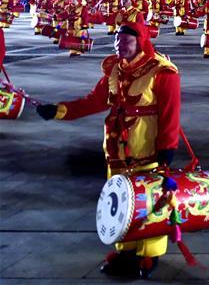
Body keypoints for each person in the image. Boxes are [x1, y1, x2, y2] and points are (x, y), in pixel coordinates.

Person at [35, 22, 181, 280]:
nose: (120, 45)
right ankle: (125, 250)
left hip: (146, 147)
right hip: (116, 147)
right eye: (117, 40)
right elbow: (94, 100)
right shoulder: (115, 70)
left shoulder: (162, 72)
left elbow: (171, 114)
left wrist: (167, 147)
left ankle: (148, 255)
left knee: (149, 201)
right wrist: (58, 110)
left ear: (141, 42)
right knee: (122, 201)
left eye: (127, 41)